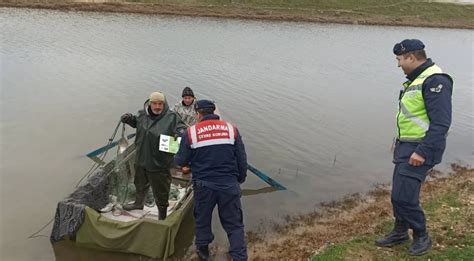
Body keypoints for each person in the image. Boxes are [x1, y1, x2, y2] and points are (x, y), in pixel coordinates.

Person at [375, 39, 453, 256]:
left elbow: (441, 123)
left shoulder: (435, 80)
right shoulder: (416, 80)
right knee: (398, 194)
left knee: (404, 197)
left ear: (411, 57)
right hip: (406, 147)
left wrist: (422, 151)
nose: (398, 64)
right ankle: (400, 232)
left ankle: (421, 235)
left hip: (421, 149)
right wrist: (400, 143)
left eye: (399, 59)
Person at [174, 100, 248, 261]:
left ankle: (203, 252)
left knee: (202, 219)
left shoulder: (191, 133)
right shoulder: (231, 130)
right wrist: (240, 179)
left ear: (198, 114)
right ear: (214, 113)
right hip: (229, 184)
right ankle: (239, 256)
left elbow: (180, 161)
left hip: (204, 186)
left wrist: (179, 154)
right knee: (234, 224)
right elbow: (242, 159)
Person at [121, 91, 186, 220]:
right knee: (139, 183)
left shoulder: (172, 117)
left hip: (159, 163)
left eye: (160, 104)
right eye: (155, 104)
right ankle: (138, 204)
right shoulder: (142, 114)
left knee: (161, 191)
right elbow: (137, 123)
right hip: (141, 159)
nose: (157, 107)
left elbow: (182, 130)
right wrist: (130, 119)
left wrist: (179, 135)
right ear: (150, 104)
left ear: (164, 104)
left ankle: (162, 216)